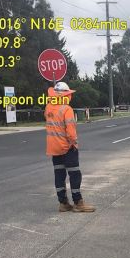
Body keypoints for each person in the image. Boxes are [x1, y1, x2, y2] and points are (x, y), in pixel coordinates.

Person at [45, 82, 95, 213]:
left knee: (59, 175)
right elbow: (71, 131)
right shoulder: (67, 109)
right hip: (67, 147)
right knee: (74, 174)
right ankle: (78, 202)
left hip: (54, 148)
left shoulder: (48, 108)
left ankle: (63, 203)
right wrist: (74, 143)